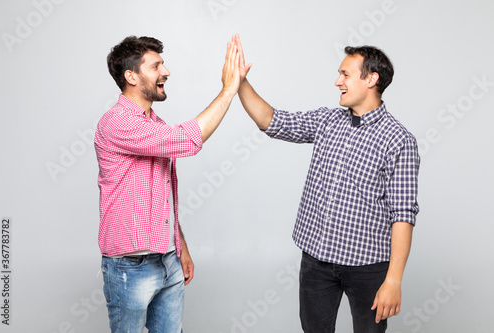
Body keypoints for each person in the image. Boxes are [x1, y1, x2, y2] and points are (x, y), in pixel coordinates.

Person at [234, 34, 419, 333]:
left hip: (368, 266)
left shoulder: (399, 140)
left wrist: (393, 280)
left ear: (371, 79)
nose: (337, 82)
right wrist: (239, 83)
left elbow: (402, 215)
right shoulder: (326, 121)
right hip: (316, 261)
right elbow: (271, 120)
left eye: (345, 74)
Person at [94, 35, 241, 333]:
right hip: (129, 268)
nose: (166, 71)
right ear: (131, 76)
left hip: (168, 259)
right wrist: (229, 89)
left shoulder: (155, 125)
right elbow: (188, 139)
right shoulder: (117, 123)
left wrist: (180, 245)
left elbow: (162, 197)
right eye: (156, 65)